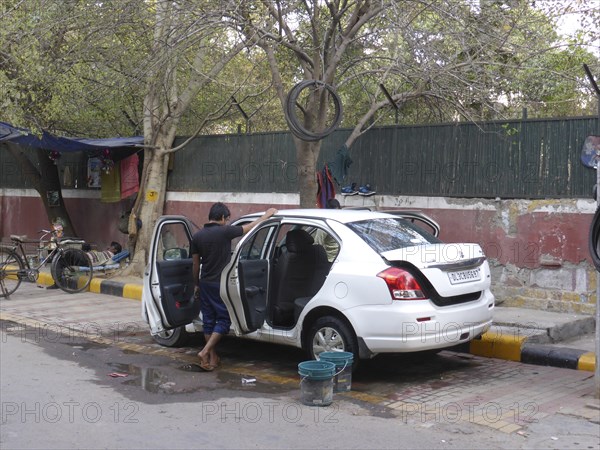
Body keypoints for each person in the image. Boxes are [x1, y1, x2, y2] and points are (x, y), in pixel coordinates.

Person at [192, 202, 277, 371]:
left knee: (208, 321)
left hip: (205, 282)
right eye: (227, 219)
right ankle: (205, 351)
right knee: (224, 319)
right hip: (220, 284)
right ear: (223, 218)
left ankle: (211, 358)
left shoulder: (198, 236)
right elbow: (250, 227)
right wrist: (267, 215)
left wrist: (196, 284)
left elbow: (195, 264)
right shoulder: (225, 231)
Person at [314, 197, 341, 262]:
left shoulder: (343, 223)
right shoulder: (325, 226)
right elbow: (318, 245)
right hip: (331, 260)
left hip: (343, 257)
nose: (336, 215)